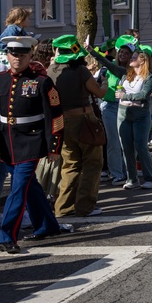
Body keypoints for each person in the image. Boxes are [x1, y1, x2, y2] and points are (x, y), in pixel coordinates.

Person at [0, 36, 68, 253]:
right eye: (13, 54)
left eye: (22, 55)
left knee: (18, 188)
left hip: (31, 142)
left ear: (30, 56)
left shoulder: (42, 81)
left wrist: (53, 147)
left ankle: (6, 236)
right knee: (30, 187)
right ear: (7, 55)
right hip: (5, 143)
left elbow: (55, 116)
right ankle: (47, 225)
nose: (17, 59)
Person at [48, 35, 107, 218]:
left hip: (62, 122)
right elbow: (99, 92)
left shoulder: (51, 71)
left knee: (70, 165)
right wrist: (104, 82)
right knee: (92, 163)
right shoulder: (81, 70)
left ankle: (63, 207)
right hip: (84, 120)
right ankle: (85, 206)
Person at [87, 35, 135, 185]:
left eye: (126, 53)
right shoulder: (106, 69)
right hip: (109, 107)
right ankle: (116, 174)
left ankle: (128, 171)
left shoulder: (127, 71)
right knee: (113, 141)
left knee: (126, 141)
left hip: (125, 107)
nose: (122, 55)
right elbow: (100, 75)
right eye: (121, 52)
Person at [117, 44, 152, 188]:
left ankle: (150, 179)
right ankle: (132, 179)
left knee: (141, 147)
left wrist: (124, 95)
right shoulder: (126, 73)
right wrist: (91, 51)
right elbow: (108, 64)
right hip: (123, 113)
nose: (130, 59)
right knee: (126, 148)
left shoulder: (150, 78)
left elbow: (143, 95)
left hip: (140, 114)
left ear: (143, 61)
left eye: (134, 57)